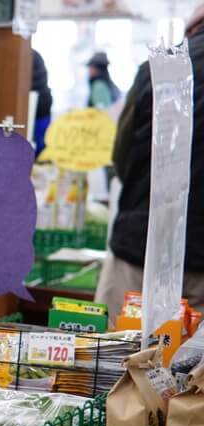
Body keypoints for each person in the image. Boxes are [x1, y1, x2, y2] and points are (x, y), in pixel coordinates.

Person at [96, 5, 204, 321]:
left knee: (117, 358)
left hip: (141, 249)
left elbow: (121, 155)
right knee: (195, 367)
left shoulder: (158, 68)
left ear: (194, 26)